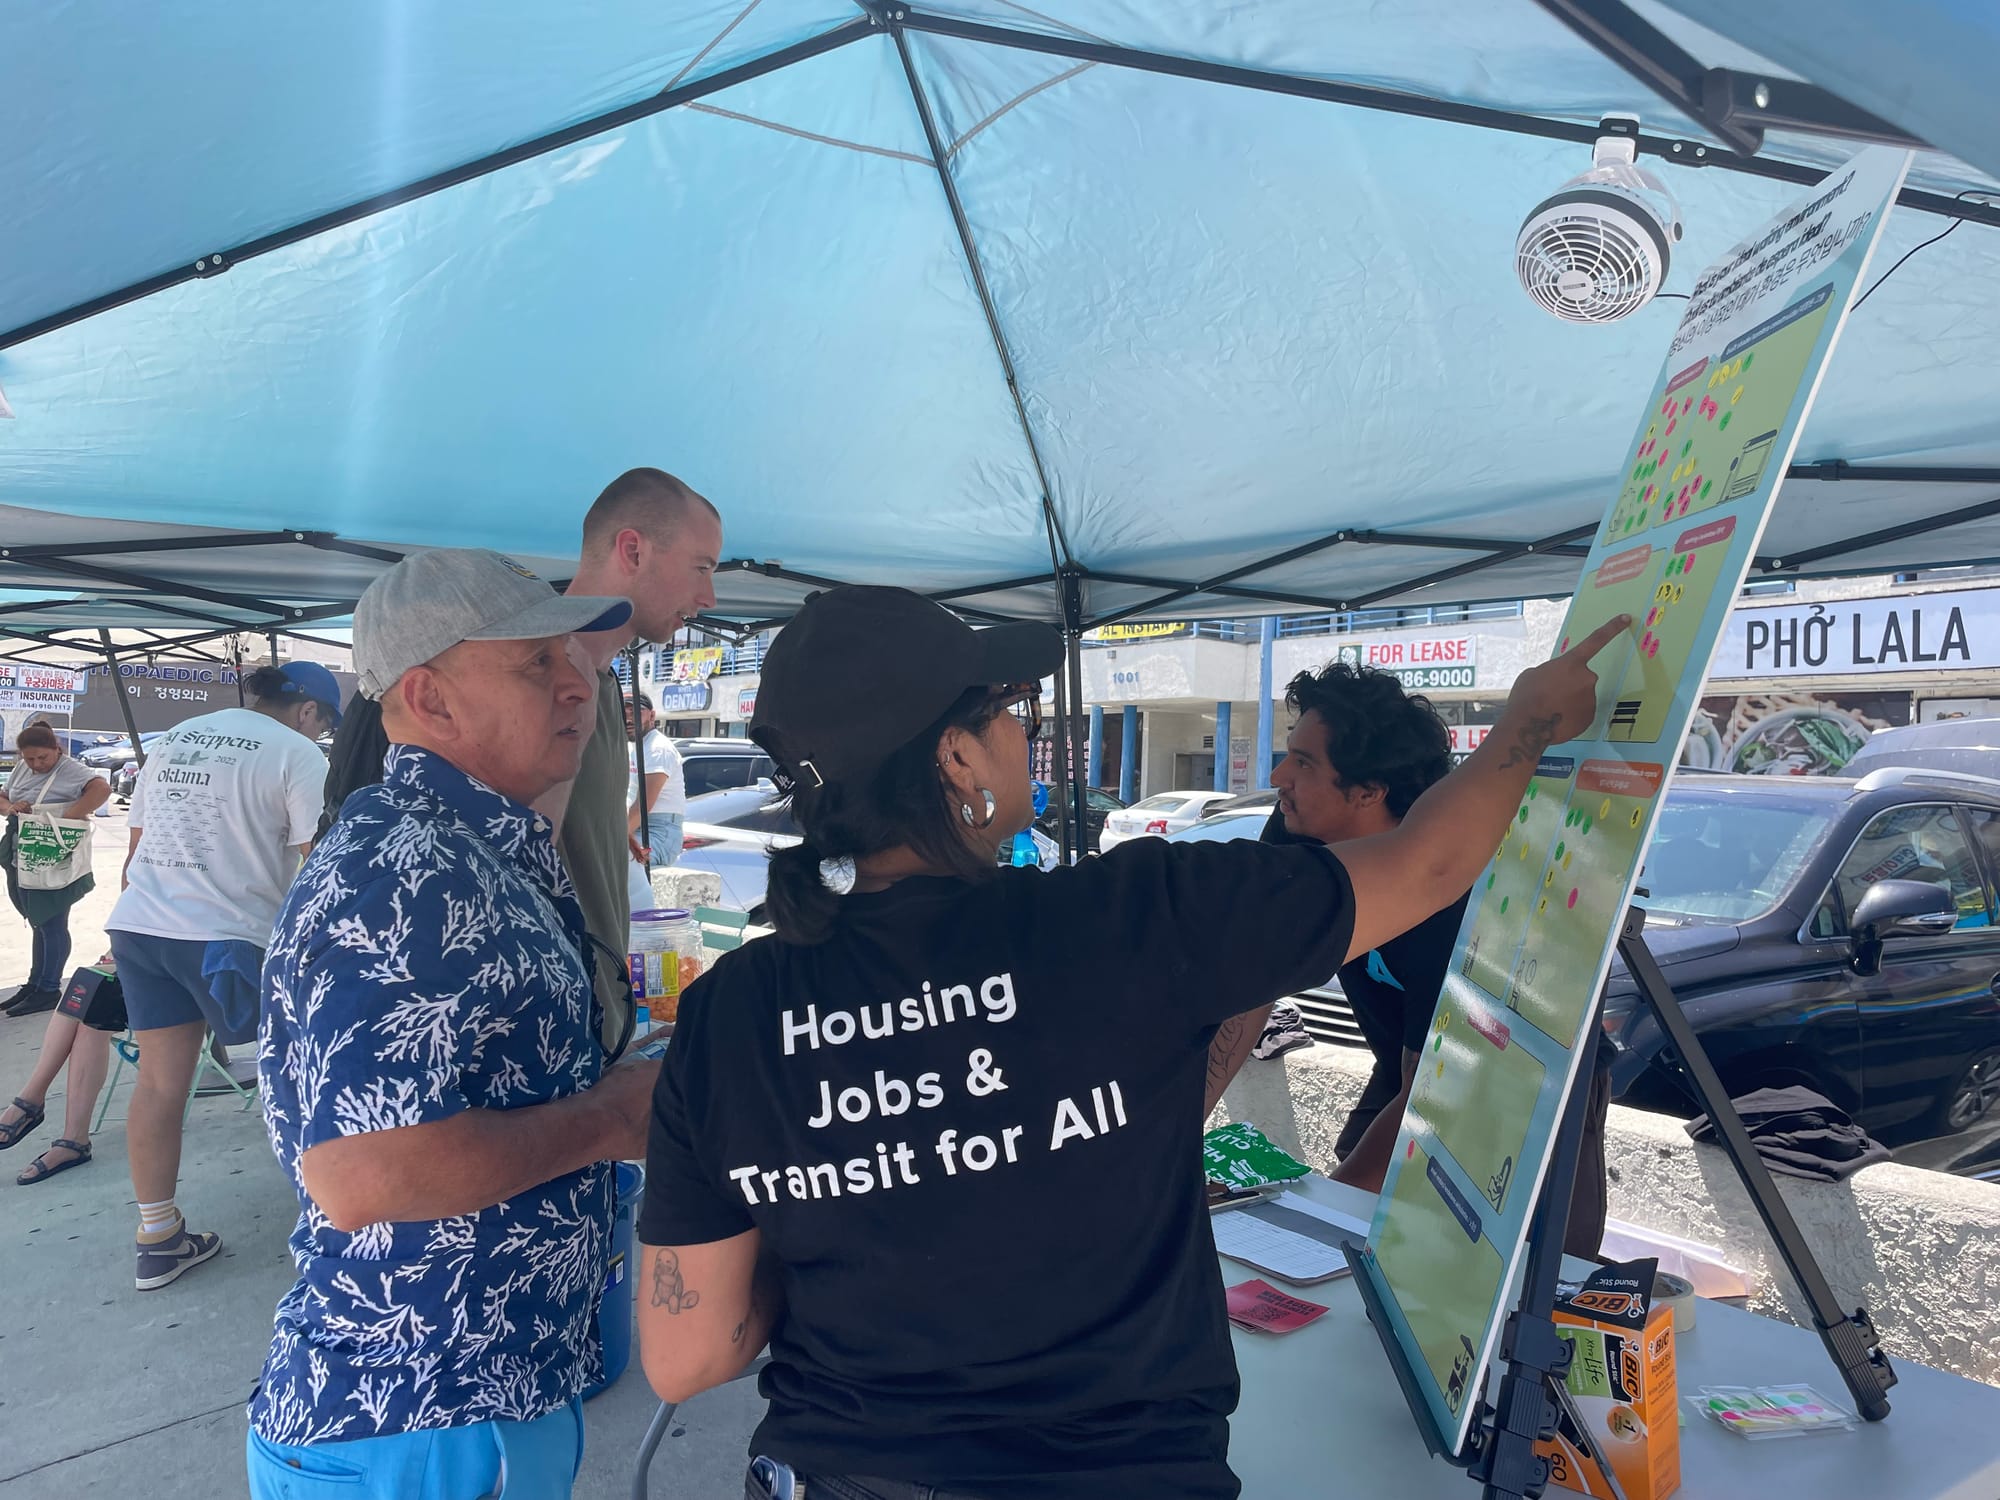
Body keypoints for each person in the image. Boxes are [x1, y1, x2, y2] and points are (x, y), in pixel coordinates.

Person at [635, 585, 1625, 1498]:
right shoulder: (1126, 915)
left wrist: (848, 1219)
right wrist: (1530, 720)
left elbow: (686, 1356)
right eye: (1005, 712)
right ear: (955, 756)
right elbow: (1431, 860)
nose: (1023, 732)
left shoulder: (729, 1012)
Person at [247, 549, 659, 1499]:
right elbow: (361, 1172)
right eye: (532, 665)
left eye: (572, 658)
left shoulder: (472, 842)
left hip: (475, 1401)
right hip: (421, 1416)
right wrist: (610, 1117)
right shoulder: (399, 869)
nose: (576, 687)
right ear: (428, 700)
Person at [106, 661, 342, 1290]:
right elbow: (319, 864)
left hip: (141, 927)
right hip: (228, 939)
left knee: (158, 1084)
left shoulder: (176, 737)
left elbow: (133, 855)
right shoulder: (298, 754)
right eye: (324, 725)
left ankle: (157, 1237)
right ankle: (336, 1226)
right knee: (298, 1079)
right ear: (310, 711)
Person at [1201, 662, 1460, 1171]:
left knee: (1540, 1246)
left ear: (1368, 791)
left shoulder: (1450, 890)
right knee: (1351, 1175)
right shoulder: (1294, 831)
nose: (1278, 778)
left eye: (1303, 763)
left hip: (1519, 1089)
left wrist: (1334, 1206)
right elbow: (1252, 984)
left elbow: (1429, 1095)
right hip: (1403, 1065)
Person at [554, 468, 722, 1057]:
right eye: (701, 568)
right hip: (544, 1036)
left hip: (599, 1024)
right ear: (632, 549)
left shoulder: (597, 687)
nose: (710, 598)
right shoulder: (531, 681)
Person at [1, 722, 110, 1014]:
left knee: (52, 922)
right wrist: (11, 807)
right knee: (38, 921)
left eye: (42, 758)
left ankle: (49, 988)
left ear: (56, 750)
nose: (36, 764)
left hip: (55, 857)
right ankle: (35, 983)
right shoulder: (23, 768)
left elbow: (102, 788)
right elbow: (2, 797)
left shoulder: (71, 770)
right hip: (23, 855)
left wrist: (68, 817)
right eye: (30, 759)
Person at [627, 692, 687, 868]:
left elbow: (643, 806)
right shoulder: (633, 746)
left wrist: (614, 838)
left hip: (659, 832)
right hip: (636, 827)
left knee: (614, 859)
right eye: (624, 714)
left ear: (652, 715)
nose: (628, 719)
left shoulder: (657, 748)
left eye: (635, 713)